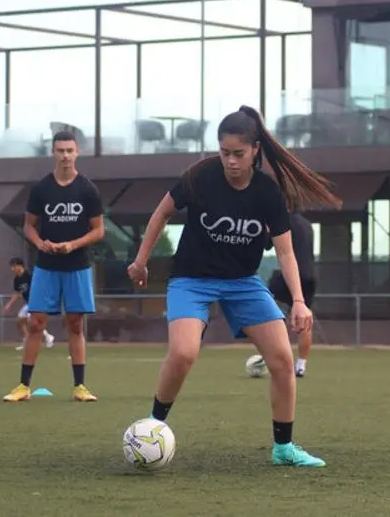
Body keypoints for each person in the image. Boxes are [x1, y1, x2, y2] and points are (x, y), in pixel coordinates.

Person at [126, 106, 342, 467]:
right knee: (183, 354)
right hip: (192, 280)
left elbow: (286, 252)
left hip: (242, 283)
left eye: (238, 154)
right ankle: (151, 430)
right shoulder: (200, 176)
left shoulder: (267, 193)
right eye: (225, 153)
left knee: (282, 360)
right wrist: (140, 260)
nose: (230, 161)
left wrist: (300, 302)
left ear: (255, 150)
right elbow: (162, 212)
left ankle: (284, 449)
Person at [3, 130, 105, 403]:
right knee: (36, 323)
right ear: (53, 153)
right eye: (60, 151)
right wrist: (39, 243)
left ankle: (80, 387)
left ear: (77, 152)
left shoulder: (88, 189)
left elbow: (98, 231)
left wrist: (73, 244)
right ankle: (23, 386)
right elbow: (29, 225)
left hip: (77, 266)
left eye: (70, 151)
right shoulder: (41, 189)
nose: (65, 156)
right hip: (47, 266)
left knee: (75, 324)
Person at [267, 211, 316, 377]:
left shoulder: (283, 221)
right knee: (305, 320)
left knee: (263, 299)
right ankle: (301, 365)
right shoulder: (307, 224)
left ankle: (271, 346)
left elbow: (267, 243)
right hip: (310, 276)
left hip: (292, 275)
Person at [3, 257, 55, 351]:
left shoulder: (29, 275)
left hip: (36, 302)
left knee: (32, 322)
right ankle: (29, 340)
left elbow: (39, 286)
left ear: (19, 266)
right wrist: (9, 304)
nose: (12, 269)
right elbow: (17, 293)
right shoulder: (17, 279)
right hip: (29, 303)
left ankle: (47, 337)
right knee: (19, 321)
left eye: (14, 266)